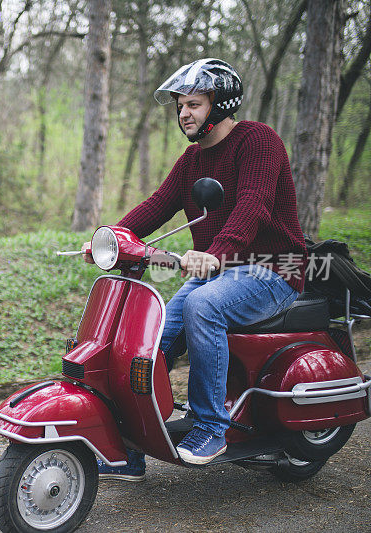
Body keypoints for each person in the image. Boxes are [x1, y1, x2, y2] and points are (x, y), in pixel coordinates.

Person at [90, 58, 307, 476]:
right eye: (180, 106)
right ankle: (130, 445)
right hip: (222, 272)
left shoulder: (257, 141)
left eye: (194, 104)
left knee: (202, 306)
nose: (184, 113)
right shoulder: (192, 160)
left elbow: (253, 205)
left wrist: (217, 252)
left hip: (273, 269)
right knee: (150, 336)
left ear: (221, 104)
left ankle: (211, 427)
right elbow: (157, 205)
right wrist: (110, 238)